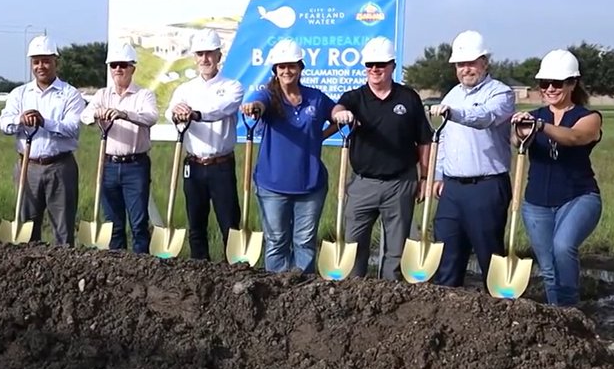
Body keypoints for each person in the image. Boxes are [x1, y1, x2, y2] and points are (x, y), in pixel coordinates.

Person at [330, 35, 432, 280]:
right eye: (370, 65)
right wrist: (341, 114)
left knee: (396, 251)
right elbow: (337, 109)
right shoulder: (355, 98)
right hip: (363, 184)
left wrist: (425, 177)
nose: (375, 69)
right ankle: (355, 295)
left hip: (401, 182)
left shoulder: (408, 98)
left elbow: (425, 141)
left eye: (381, 65)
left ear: (392, 66)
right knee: (353, 247)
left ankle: (390, 299)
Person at [511, 49, 603, 307]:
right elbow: (516, 143)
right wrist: (519, 131)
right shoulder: (534, 115)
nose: (550, 88)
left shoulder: (589, 117)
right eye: (544, 83)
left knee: (563, 247)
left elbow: (574, 137)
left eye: (557, 83)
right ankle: (557, 318)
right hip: (536, 203)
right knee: (549, 268)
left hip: (578, 197)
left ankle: (571, 313)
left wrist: (540, 127)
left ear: (572, 83)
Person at [427, 30, 516, 288]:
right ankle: (448, 308)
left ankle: (499, 309)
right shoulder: (451, 95)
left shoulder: (501, 93)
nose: (466, 69)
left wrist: (453, 113)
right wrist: (438, 175)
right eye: (460, 64)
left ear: (484, 62)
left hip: (487, 186)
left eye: (471, 63)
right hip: (452, 189)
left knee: (490, 254)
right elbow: (443, 139)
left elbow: (484, 117)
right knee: (447, 253)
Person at [240, 38, 337, 273]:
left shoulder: (315, 97)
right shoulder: (269, 96)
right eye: (282, 66)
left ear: (301, 67)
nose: (287, 71)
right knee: (276, 243)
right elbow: (259, 105)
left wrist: (335, 120)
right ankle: (277, 294)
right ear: (275, 70)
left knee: (304, 243)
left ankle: (302, 295)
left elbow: (334, 111)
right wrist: (254, 109)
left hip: (310, 185)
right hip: (272, 186)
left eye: (292, 65)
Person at [0, 34, 87, 245]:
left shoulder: (70, 94)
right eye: (36, 61)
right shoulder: (19, 94)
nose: (41, 66)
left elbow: (73, 128)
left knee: (63, 229)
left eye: (46, 61)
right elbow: (4, 124)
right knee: (26, 227)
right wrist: (21, 120)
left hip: (60, 166)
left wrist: (44, 122)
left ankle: (63, 271)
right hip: (27, 166)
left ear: (56, 61)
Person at [164, 29, 245, 261]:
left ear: (219, 56)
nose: (205, 59)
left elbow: (222, 108)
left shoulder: (232, 86)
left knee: (229, 223)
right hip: (193, 164)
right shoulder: (184, 89)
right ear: (195, 57)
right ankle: (200, 274)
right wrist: (177, 113)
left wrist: (195, 114)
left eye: (210, 53)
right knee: (196, 224)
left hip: (221, 165)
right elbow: (172, 110)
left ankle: (234, 271)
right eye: (200, 54)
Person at [80, 42, 159, 253]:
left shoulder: (144, 95)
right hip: (108, 165)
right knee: (113, 225)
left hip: (135, 165)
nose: (118, 70)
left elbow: (151, 117)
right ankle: (117, 271)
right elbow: (85, 116)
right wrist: (97, 114)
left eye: (123, 65)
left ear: (132, 67)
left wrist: (125, 115)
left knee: (138, 224)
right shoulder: (102, 95)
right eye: (114, 65)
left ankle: (141, 267)